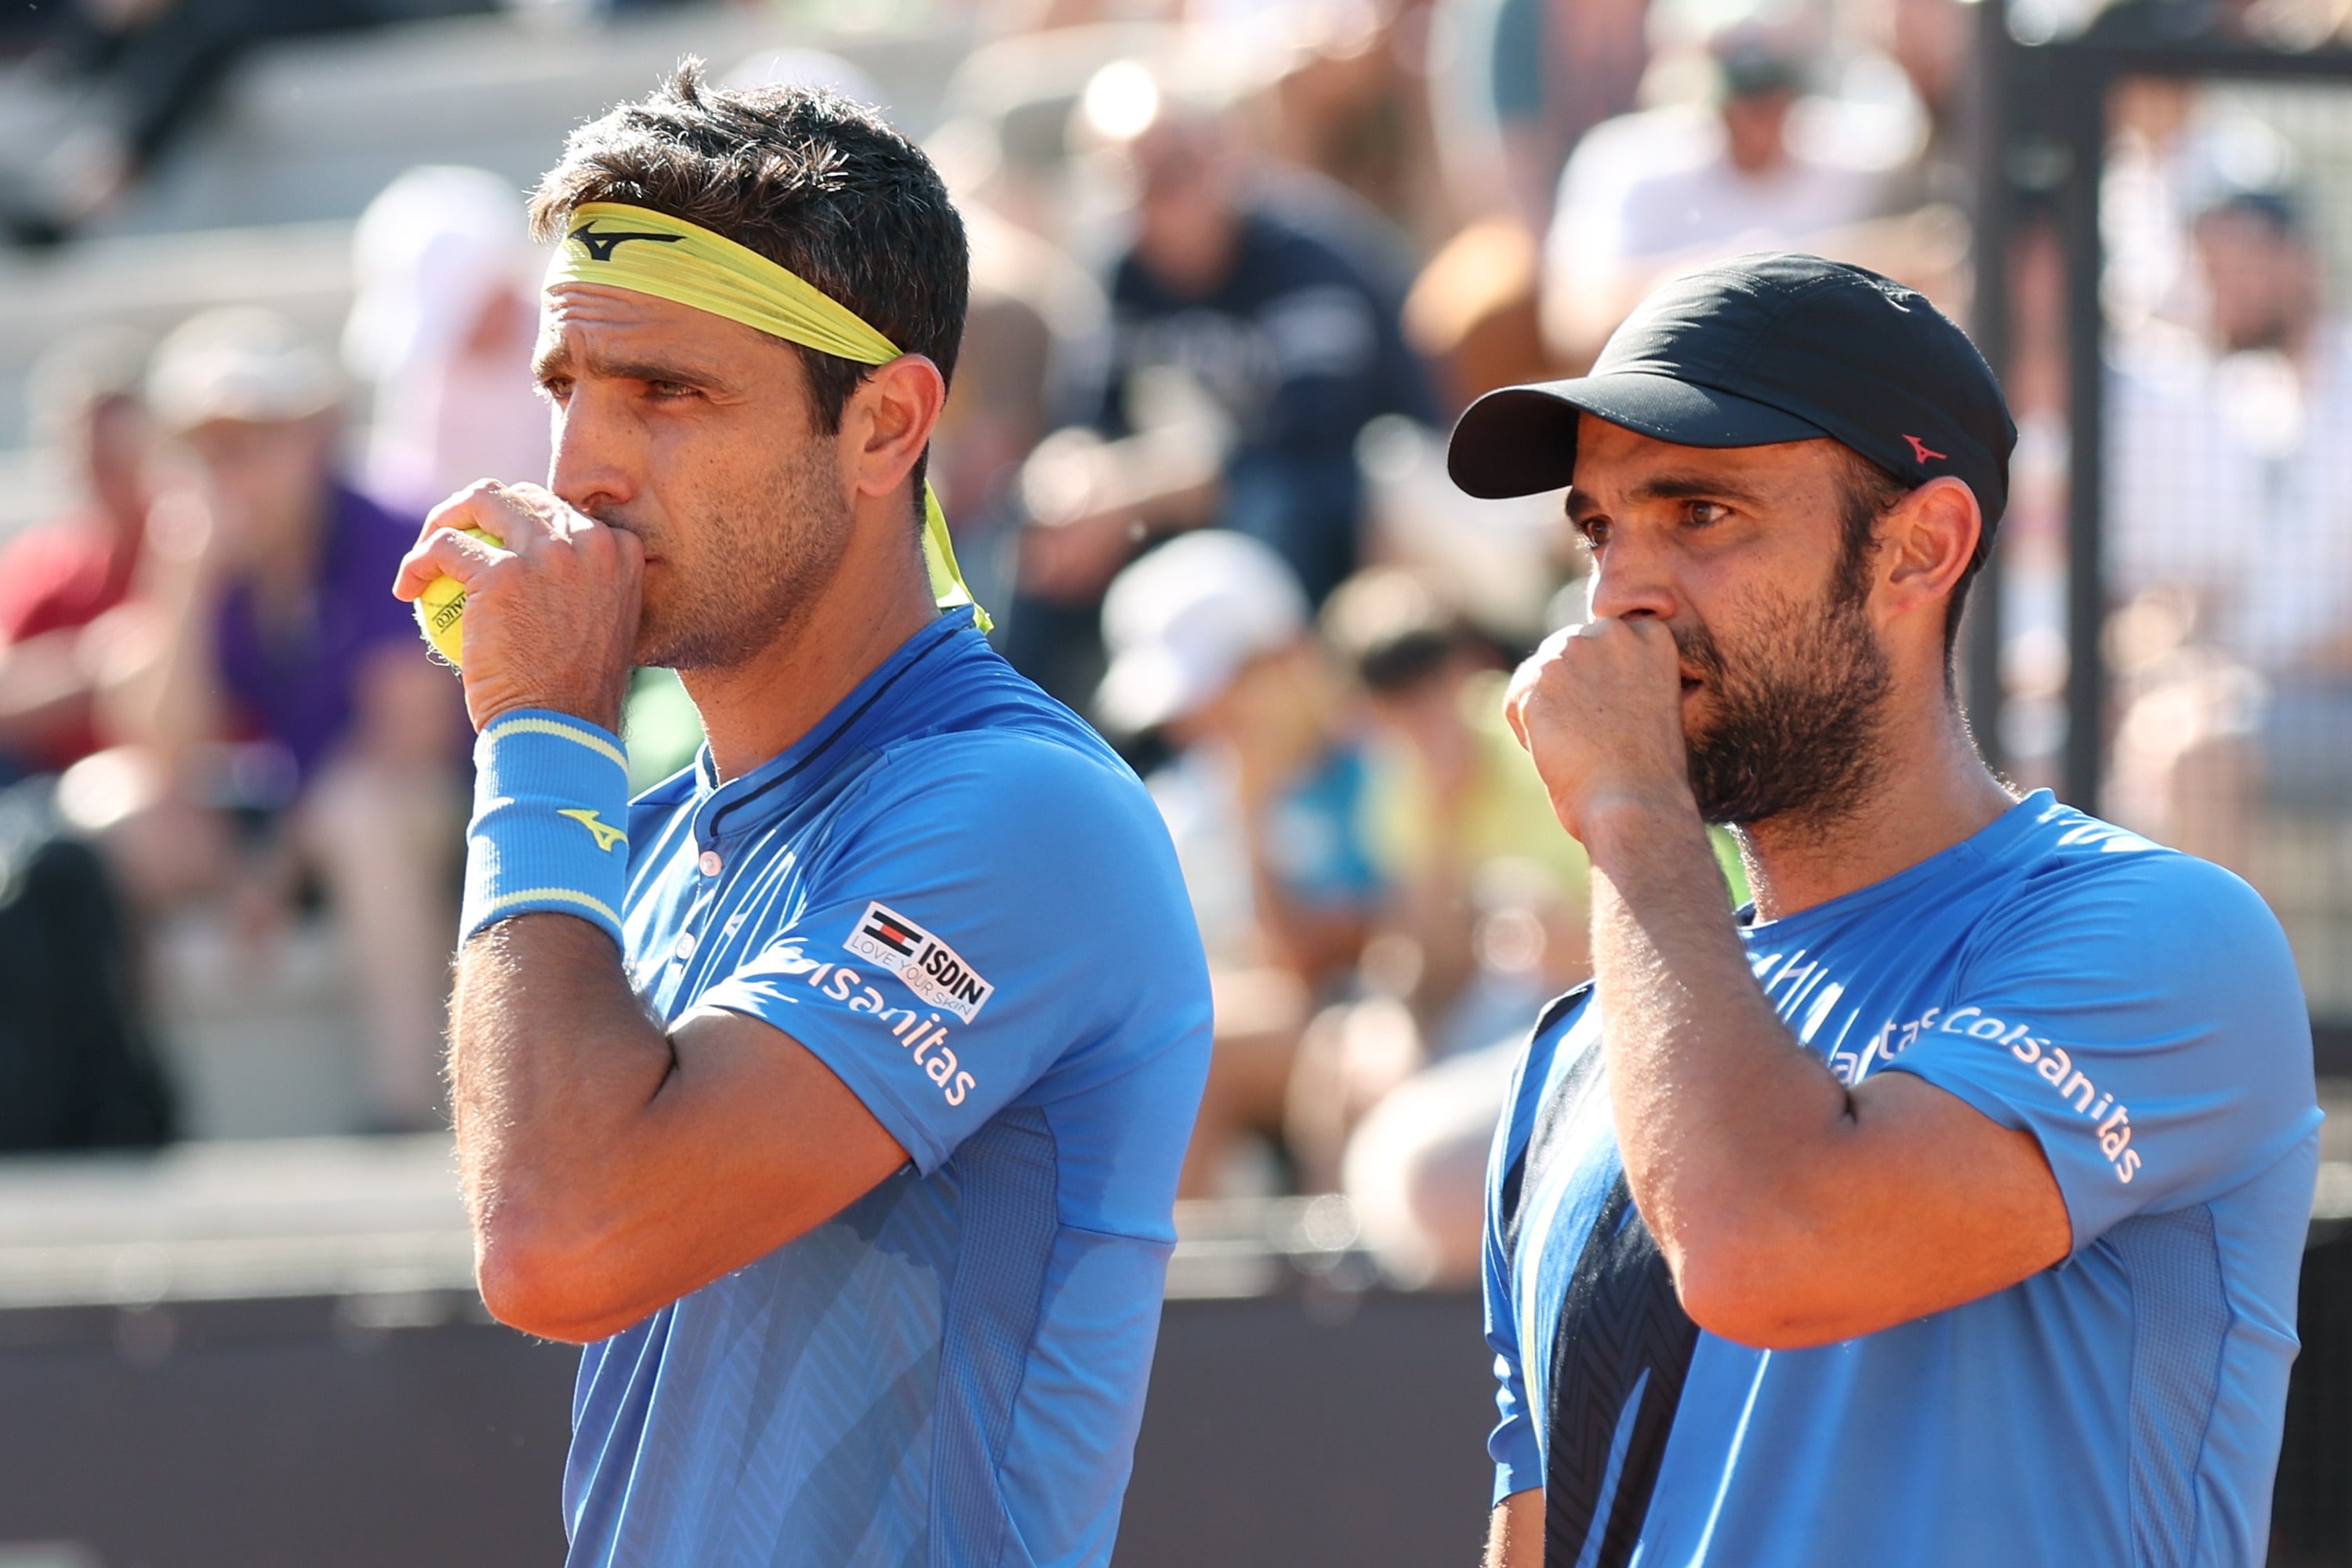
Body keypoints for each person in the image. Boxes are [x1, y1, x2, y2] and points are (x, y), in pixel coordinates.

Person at [390, 70, 1210, 1565]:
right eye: (569, 388)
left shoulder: (1023, 814)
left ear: (888, 425)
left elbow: (560, 1241)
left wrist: (539, 739)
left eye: (672, 395)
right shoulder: (639, 839)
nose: (585, 470)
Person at [1447, 253, 2318, 1566]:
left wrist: (1630, 807)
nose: (1622, 590)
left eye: (1700, 512)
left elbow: (1773, 1248)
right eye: (1599, 527)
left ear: (1923, 549)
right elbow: (1540, 1535)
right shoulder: (1583, 1049)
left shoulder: (2171, 940)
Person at [80, 305, 464, 1133]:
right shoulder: (203, 554)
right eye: (209, 445)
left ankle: (407, 1109)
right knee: (111, 807)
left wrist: (276, 869)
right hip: (299, 811)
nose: (233, 464)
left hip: (429, 814)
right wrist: (184, 576)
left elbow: (407, 741)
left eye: (257, 436)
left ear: (316, 433)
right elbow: (156, 741)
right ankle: (119, 1110)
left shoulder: (392, 531)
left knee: (361, 812)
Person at [1007, 54, 1436, 708]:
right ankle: (1026, 731)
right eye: (1127, 179)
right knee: (1043, 524)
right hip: (1195, 491)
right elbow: (1087, 421)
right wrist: (1067, 485)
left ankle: (1289, 723)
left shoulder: (1308, 259)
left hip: (1357, 501)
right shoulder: (1120, 273)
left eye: (1175, 167)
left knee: (1271, 505)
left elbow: (1306, 438)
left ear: (1226, 155)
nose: (1156, 197)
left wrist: (1135, 493)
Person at [1096, 529, 1380, 1196]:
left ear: (1283, 658)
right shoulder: (1181, 801)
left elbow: (1311, 965)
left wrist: (1250, 813)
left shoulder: (1379, 767)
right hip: (1302, 1033)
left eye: (1213, 690)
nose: (1190, 723)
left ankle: (1168, 1296)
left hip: (1377, 1031)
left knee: (1191, 1046)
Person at [0, 328, 153, 779]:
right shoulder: (42, 561)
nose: (99, 474)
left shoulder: (192, 555)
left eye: (116, 456)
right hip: (41, 783)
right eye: (88, 456)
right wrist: (91, 668)